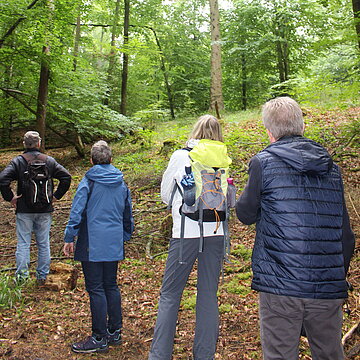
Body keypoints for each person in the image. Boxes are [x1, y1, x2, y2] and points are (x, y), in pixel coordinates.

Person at [235, 97, 355, 360]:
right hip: (327, 286)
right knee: (330, 354)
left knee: (279, 354)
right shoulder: (331, 168)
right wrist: (335, 276)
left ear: (269, 131)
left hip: (281, 285)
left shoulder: (262, 163)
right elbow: (346, 236)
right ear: (301, 126)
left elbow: (244, 213)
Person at [149, 115, 230, 360]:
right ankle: (204, 355)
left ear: (196, 131)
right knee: (208, 295)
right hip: (216, 232)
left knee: (171, 295)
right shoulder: (223, 158)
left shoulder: (181, 156)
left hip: (185, 234)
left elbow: (165, 194)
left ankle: (160, 355)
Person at [63, 140, 134, 354]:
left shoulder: (89, 180)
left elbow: (77, 210)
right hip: (112, 241)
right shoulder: (121, 183)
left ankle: (99, 337)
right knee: (110, 285)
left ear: (92, 160)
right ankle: (114, 331)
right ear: (111, 159)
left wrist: (69, 237)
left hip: (91, 242)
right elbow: (127, 214)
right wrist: (124, 235)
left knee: (96, 288)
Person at [0, 131, 71, 284]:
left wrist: (10, 197)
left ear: (24, 144)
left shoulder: (18, 161)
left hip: (24, 209)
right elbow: (66, 177)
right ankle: (42, 276)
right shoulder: (49, 161)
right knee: (43, 243)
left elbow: (3, 179)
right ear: (39, 143)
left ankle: (22, 278)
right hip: (45, 209)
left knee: (23, 243)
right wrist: (55, 196)